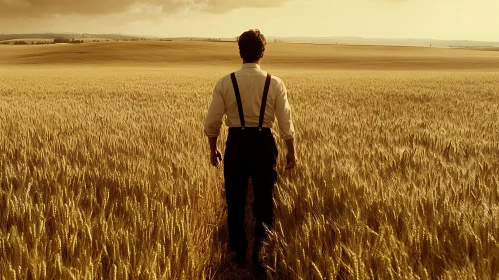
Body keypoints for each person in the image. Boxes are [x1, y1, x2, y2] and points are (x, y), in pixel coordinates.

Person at [204, 29, 296, 275]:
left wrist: (213, 149)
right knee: (264, 200)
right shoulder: (275, 83)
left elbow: (212, 122)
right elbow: (285, 122)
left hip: (236, 142)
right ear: (262, 53)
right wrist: (291, 152)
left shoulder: (225, 82)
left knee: (235, 199)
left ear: (240, 52)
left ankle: (238, 252)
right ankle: (260, 252)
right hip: (264, 143)